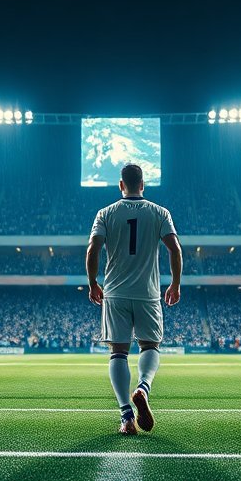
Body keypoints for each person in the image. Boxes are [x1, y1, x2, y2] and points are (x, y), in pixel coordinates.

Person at [86, 163, 182, 435]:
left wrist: (93, 283)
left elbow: (93, 249)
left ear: (121, 185)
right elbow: (175, 248)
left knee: (118, 351)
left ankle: (127, 417)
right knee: (150, 345)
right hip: (147, 293)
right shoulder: (160, 212)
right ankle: (143, 388)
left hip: (115, 292)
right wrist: (175, 283)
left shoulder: (105, 213)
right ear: (143, 185)